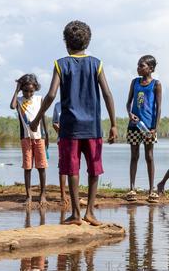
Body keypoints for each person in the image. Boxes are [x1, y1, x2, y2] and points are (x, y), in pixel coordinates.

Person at [30, 20, 118, 226]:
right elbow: (107, 93)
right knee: (94, 169)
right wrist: (113, 123)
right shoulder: (96, 63)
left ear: (66, 42)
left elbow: (51, 95)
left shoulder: (61, 64)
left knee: (73, 170)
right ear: (88, 41)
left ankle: (77, 214)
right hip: (93, 127)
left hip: (70, 128)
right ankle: (90, 213)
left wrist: (36, 120)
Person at [125, 55, 162, 203]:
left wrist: (155, 127)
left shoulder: (156, 84)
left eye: (142, 66)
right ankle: (132, 188)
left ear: (151, 69)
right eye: (138, 65)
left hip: (148, 127)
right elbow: (128, 103)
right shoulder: (135, 82)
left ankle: (152, 190)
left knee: (149, 156)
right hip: (134, 126)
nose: (139, 68)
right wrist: (130, 114)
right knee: (134, 156)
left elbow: (158, 108)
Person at [10, 73, 49, 207]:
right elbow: (12, 105)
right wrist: (17, 89)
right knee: (27, 167)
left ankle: (42, 194)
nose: (28, 93)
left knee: (41, 167)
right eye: (25, 90)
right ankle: (29, 196)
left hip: (39, 137)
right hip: (26, 138)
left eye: (31, 91)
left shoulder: (39, 99)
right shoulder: (19, 101)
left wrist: (47, 135)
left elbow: (43, 118)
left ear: (35, 89)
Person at [51, 101, 69, 207]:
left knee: (74, 165)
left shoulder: (77, 101)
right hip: (62, 138)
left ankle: (73, 193)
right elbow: (54, 122)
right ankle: (63, 194)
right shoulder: (58, 105)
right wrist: (59, 129)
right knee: (62, 166)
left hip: (76, 137)